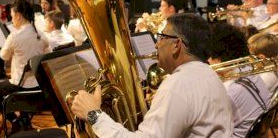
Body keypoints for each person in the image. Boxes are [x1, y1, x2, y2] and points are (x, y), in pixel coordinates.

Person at [71, 13, 233, 137]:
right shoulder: (209, 74)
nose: (156, 44)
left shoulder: (179, 84)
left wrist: (93, 114)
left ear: (176, 45)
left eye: (161, 37)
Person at [0, 0, 48, 133]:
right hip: (38, 85)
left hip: (20, 85)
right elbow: (46, 48)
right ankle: (24, 119)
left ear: (18, 16)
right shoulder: (40, 33)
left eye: (12, 16)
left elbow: (3, 56)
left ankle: (15, 120)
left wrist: (10, 46)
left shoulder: (14, 36)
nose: (12, 19)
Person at [208, 22, 271, 137]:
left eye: (209, 57)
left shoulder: (227, 91)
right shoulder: (251, 71)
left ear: (218, 58)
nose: (208, 61)